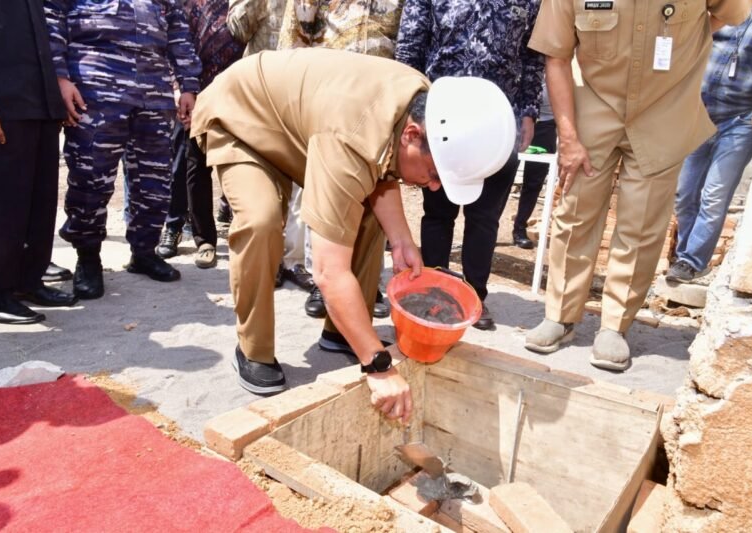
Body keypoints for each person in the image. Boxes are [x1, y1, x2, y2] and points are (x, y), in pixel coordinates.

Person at [190, 48, 516, 421]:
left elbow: (381, 166)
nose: (435, 188)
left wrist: (402, 240)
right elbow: (328, 272)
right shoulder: (352, 135)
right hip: (243, 119)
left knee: (365, 215)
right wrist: (378, 365)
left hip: (303, 130)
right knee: (261, 221)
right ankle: (252, 349)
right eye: (434, 174)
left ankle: (342, 331)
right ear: (413, 135)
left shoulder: (424, 105)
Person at [523, 0, 752, 370]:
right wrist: (567, 137)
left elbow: (728, 13)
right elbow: (557, 57)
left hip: (665, 112)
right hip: (593, 110)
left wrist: (684, 42)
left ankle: (614, 326)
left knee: (641, 224)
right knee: (574, 214)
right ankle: (560, 316)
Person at [395, 0, 544, 331]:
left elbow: (533, 55)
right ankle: (430, 289)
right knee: (438, 211)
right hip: (443, 122)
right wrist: (408, 107)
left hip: (499, 123)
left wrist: (530, 111)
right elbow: (409, 48)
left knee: (485, 216)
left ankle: (474, 296)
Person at [44, 0, 202, 299]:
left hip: (154, 88)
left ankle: (144, 252)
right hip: (94, 83)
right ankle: (88, 258)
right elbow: (52, 21)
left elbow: (179, 31)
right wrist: (60, 78)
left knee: (154, 178)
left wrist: (188, 84)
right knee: (91, 175)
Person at [271, 0, 404, 321]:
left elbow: (408, 41)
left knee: (376, 197)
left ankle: (367, 283)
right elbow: (292, 39)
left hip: (382, 107)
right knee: (320, 197)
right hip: (326, 102)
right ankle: (323, 279)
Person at [668, 0, 752, 283]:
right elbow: (691, 45)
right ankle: (688, 255)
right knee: (684, 193)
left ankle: (690, 262)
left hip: (742, 120)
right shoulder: (720, 5)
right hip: (699, 113)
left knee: (714, 195)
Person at [0, 0, 78, 325]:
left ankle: (29, 280)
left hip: (40, 101)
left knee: (39, 203)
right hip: (5, 104)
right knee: (5, 206)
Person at [155, 0, 246, 269]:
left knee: (241, 164)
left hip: (240, 95)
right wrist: (183, 89)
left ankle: (245, 234)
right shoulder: (190, 4)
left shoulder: (245, 4)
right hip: (198, 94)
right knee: (189, 164)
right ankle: (200, 237)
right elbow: (178, 46)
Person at [512, 80, 557, 250]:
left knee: (534, 182)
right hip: (518, 120)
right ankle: (489, 228)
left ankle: (520, 229)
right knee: (504, 177)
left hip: (546, 125)